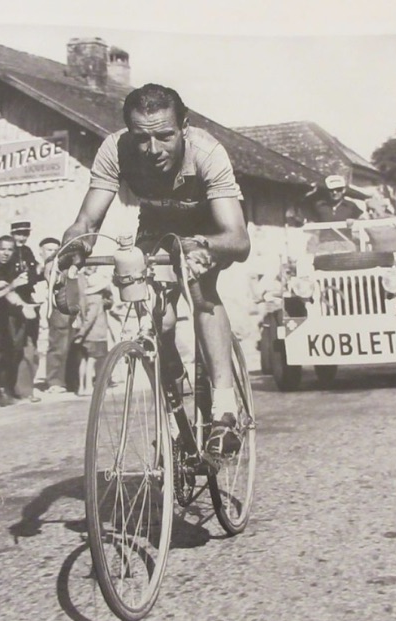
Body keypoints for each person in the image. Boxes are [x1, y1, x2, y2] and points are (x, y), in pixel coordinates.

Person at [60, 83, 250, 458]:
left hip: (207, 230)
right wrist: (74, 247)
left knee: (200, 289)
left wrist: (204, 246)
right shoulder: (115, 149)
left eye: (164, 136)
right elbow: (86, 221)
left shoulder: (207, 151)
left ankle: (224, 410)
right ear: (129, 132)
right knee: (154, 314)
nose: (153, 149)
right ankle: (174, 393)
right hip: (156, 227)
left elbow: (238, 239)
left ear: (184, 126)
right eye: (141, 138)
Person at [0, 235, 36, 405]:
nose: (6, 253)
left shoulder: (11, 267)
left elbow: (11, 292)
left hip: (6, 312)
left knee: (14, 349)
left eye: (10, 250)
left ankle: (9, 389)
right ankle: (0, 392)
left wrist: (24, 305)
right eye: (2, 249)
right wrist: (12, 287)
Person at [9, 220, 41, 401]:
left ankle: (25, 390)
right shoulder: (8, 251)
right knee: (14, 345)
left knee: (30, 344)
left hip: (28, 299)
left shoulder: (28, 252)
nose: (22, 237)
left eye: (25, 234)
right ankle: (9, 389)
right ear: (12, 234)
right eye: (19, 233)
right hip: (11, 302)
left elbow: (34, 275)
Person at [72, 267, 112, 396]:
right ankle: (88, 386)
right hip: (96, 335)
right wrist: (82, 332)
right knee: (92, 360)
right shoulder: (97, 299)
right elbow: (91, 318)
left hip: (87, 335)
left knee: (84, 360)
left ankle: (81, 386)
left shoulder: (85, 298)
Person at [39, 237, 72, 394]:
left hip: (66, 308)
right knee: (57, 345)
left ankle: (67, 380)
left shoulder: (63, 266)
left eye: (55, 250)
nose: (52, 253)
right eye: (49, 250)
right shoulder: (42, 269)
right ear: (41, 252)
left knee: (68, 345)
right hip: (53, 309)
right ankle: (54, 381)